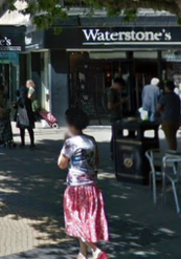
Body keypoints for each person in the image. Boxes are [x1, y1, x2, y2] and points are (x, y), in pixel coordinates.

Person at [58, 108, 109, 259]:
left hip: (76, 187)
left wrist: (64, 148)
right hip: (92, 185)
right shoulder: (91, 140)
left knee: (75, 219)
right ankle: (82, 253)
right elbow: (97, 162)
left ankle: (95, 250)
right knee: (86, 219)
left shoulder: (70, 142)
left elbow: (61, 164)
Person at [158, 80, 181, 151]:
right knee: (173, 137)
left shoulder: (164, 97)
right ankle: (173, 150)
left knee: (170, 138)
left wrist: (161, 112)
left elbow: (158, 107)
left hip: (167, 120)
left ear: (166, 87)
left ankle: (173, 152)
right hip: (176, 119)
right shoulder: (177, 97)